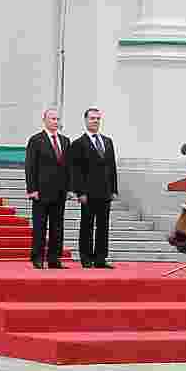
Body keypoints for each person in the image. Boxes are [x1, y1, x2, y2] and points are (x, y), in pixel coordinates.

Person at [68, 107, 118, 268]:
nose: (95, 121)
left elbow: (112, 167)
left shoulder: (108, 142)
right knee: (87, 226)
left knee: (103, 226)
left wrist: (114, 189)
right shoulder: (78, 143)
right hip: (88, 193)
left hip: (105, 192)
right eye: (92, 118)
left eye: (97, 119)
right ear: (85, 120)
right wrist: (79, 192)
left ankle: (100, 258)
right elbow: (76, 170)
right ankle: (86, 257)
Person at [24, 108, 72, 269]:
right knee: (40, 226)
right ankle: (37, 258)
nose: (55, 122)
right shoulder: (36, 140)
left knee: (57, 227)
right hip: (41, 192)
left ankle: (54, 259)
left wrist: (69, 188)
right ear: (44, 120)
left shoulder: (65, 141)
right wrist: (32, 189)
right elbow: (30, 166)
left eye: (57, 119)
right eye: (52, 119)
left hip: (60, 192)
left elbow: (68, 167)